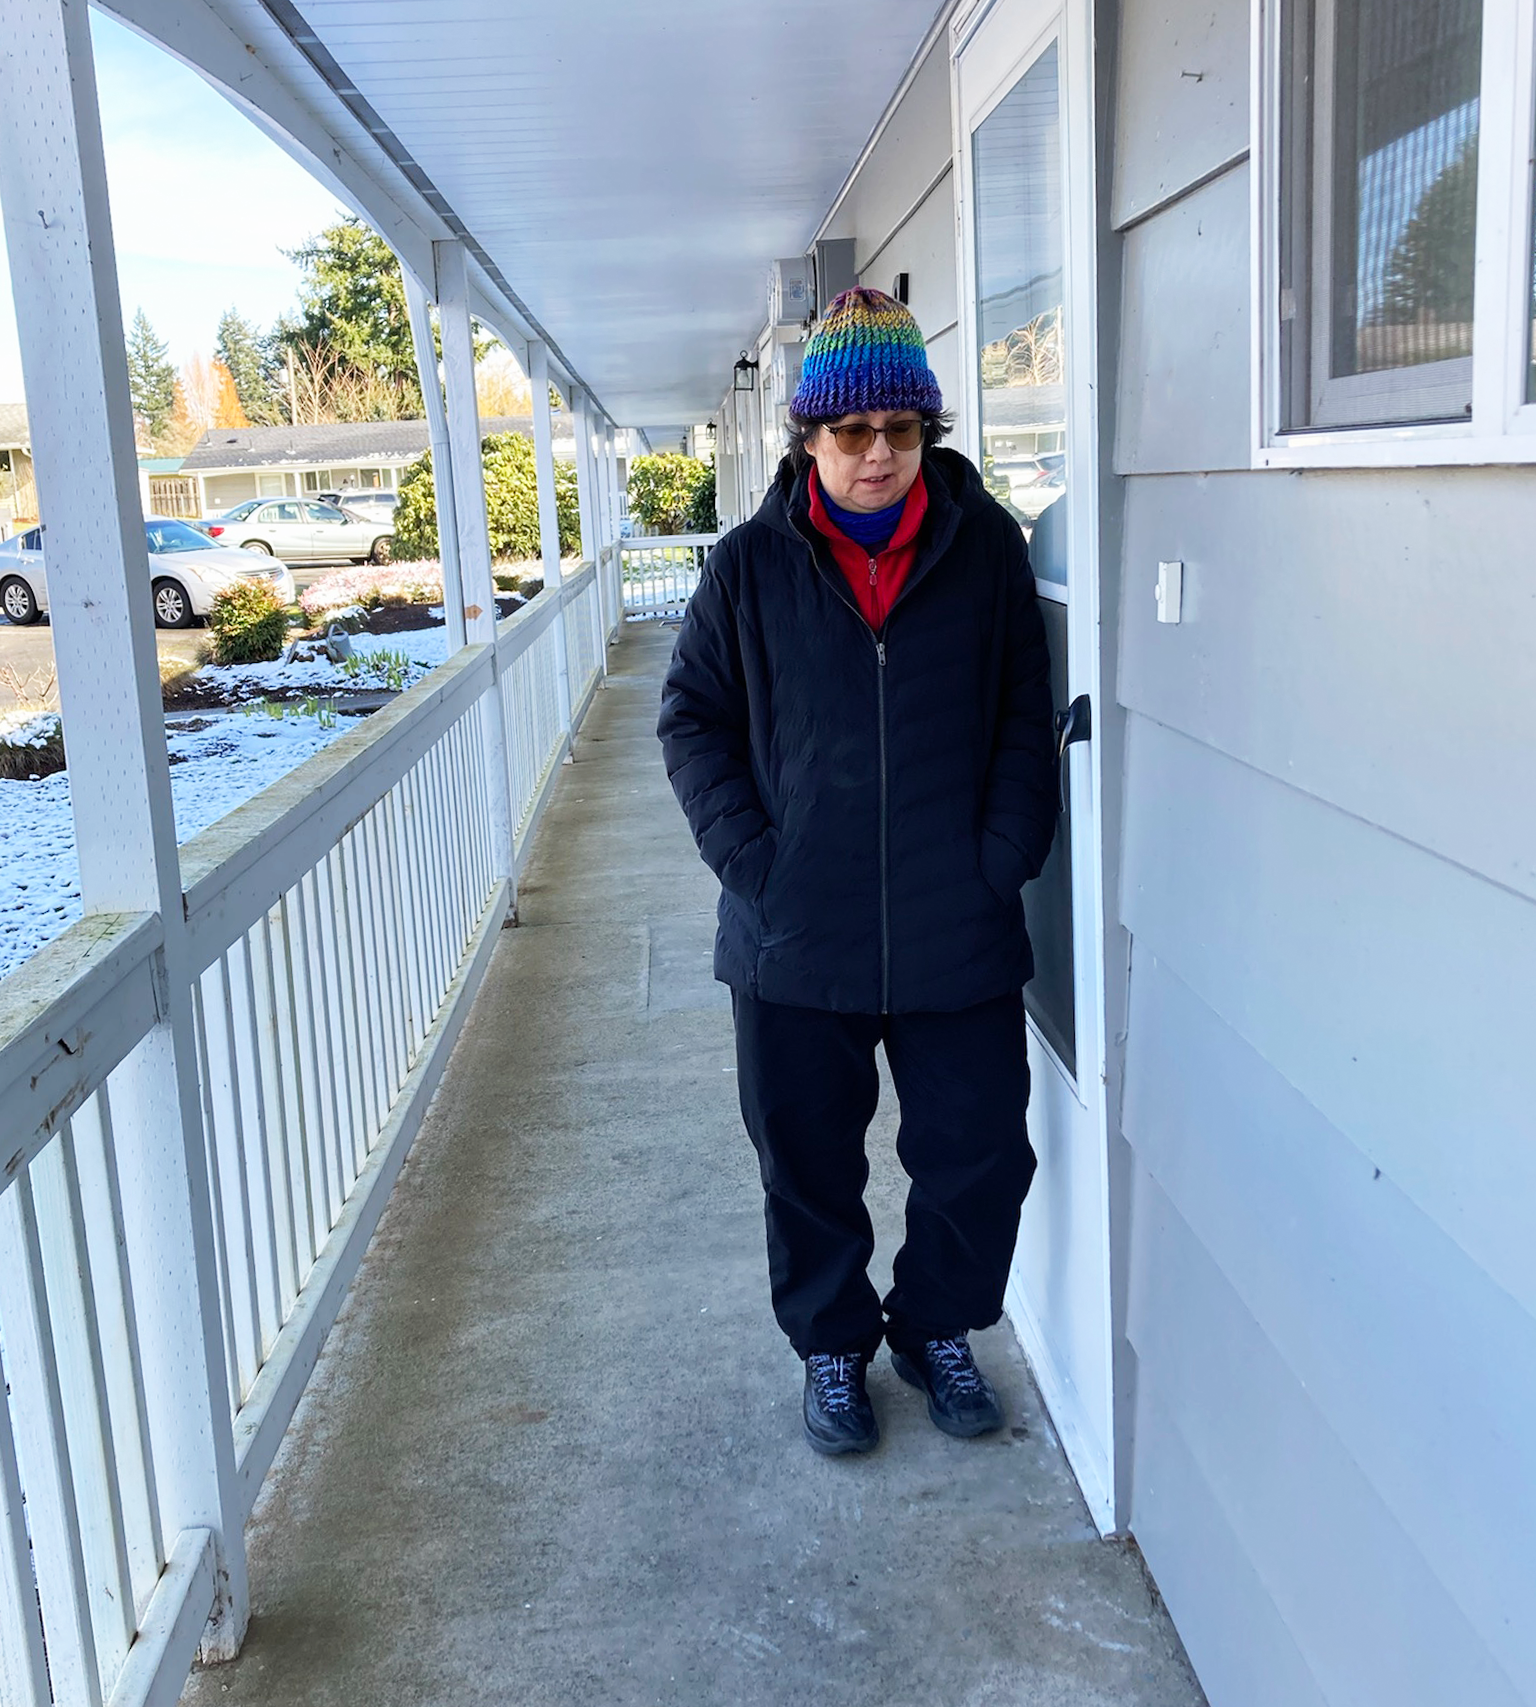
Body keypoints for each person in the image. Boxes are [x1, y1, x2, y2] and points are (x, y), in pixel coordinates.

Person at [658, 288, 1056, 1456]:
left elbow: (1025, 721)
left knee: (980, 1149)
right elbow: (692, 723)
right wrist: (756, 866)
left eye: (902, 428)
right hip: (795, 933)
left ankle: (937, 1328)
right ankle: (834, 1346)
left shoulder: (985, 549)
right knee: (807, 1157)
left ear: (926, 431)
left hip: (958, 924)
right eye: (852, 433)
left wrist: (1001, 862)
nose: (879, 454)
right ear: (809, 440)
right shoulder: (746, 570)